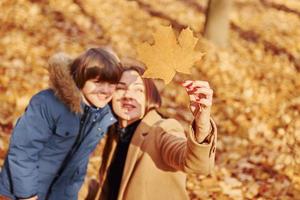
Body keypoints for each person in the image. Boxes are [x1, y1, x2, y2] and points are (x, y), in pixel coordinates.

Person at [0, 48, 122, 200]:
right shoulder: (48, 103)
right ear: (81, 79)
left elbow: (78, 166)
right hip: (20, 192)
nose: (106, 90)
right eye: (98, 82)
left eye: (112, 84)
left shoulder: (103, 114)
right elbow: (23, 151)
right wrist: (27, 195)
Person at [86, 59, 217, 200]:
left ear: (149, 96)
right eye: (121, 88)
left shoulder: (161, 130)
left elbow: (195, 165)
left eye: (138, 90)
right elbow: (111, 190)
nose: (128, 95)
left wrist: (202, 124)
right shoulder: (115, 132)